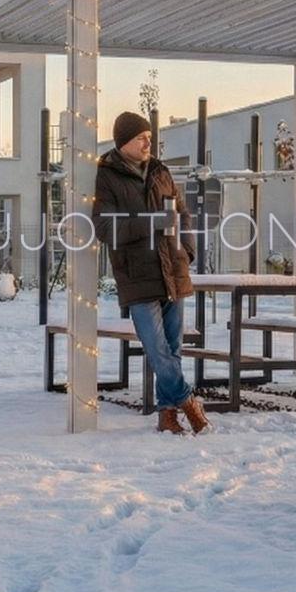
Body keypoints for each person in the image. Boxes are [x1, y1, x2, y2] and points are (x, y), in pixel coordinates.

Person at [92, 111, 209, 435]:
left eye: (149, 138)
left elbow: (182, 214)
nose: (148, 143)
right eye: (141, 138)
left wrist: (187, 250)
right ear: (124, 142)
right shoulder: (108, 177)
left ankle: (167, 415)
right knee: (157, 349)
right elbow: (105, 228)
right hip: (137, 275)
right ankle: (188, 400)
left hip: (173, 269)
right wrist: (151, 222)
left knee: (173, 349)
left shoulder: (161, 171)